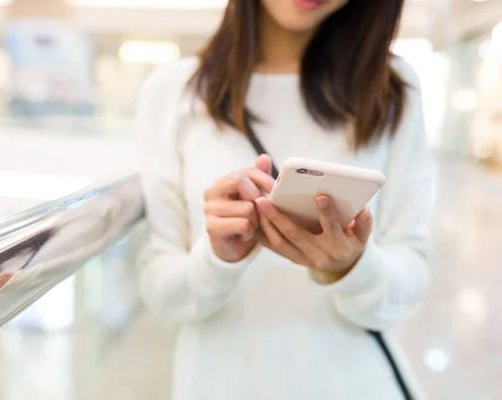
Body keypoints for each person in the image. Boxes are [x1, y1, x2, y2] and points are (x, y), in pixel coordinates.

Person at [135, 0, 432, 399]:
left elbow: (411, 277)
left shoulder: (393, 86)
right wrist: (217, 260)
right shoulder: (173, 92)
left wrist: (350, 268)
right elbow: (162, 292)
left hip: (358, 383)